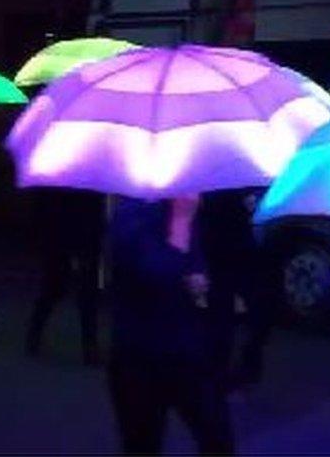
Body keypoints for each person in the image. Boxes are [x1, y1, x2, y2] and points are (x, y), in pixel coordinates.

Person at [107, 196, 234, 455]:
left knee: (218, 436)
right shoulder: (132, 211)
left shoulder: (184, 205)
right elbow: (153, 271)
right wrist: (181, 221)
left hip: (186, 348)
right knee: (143, 443)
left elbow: (193, 257)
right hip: (139, 353)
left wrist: (199, 276)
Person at [197, 187, 276, 390]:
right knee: (252, 307)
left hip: (218, 248)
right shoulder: (237, 180)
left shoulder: (208, 182)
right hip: (235, 248)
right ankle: (239, 364)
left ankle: (219, 370)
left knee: (222, 313)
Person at [25, 188, 105, 365]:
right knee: (84, 288)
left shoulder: (58, 173)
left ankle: (34, 333)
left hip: (60, 224)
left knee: (56, 285)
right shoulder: (92, 173)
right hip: (81, 225)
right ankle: (89, 347)